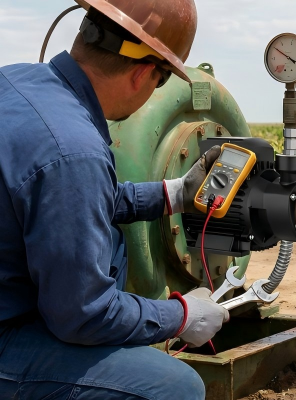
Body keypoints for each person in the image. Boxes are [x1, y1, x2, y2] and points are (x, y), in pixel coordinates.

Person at [0, 1, 228, 398]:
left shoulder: (16, 80)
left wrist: (173, 194)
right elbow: (82, 315)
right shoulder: (74, 149)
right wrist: (180, 315)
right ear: (142, 74)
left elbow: (68, 203)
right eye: (162, 81)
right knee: (173, 387)